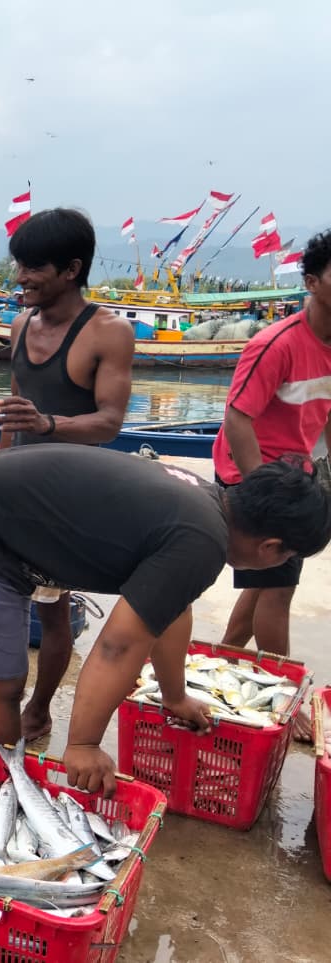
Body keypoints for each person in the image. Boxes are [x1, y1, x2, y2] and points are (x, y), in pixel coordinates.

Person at [0, 444, 331, 796]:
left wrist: (175, 696)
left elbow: (170, 612)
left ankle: (7, 788)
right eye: (288, 557)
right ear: (271, 546)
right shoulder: (202, 540)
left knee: (5, 673)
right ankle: (1, 795)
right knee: (2, 680)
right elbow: (118, 645)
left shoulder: (206, 506)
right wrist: (83, 744)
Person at [0, 209, 135, 743]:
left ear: (71, 269)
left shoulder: (109, 332)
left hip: (67, 493)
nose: (21, 279)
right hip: (16, 485)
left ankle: (38, 707)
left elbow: (109, 422)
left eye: (34, 268)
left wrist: (48, 423)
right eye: (19, 266)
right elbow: (14, 415)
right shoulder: (20, 324)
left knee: (54, 611)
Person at [212, 231, 331, 740]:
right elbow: (237, 418)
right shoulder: (276, 344)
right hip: (253, 476)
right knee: (279, 587)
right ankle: (284, 697)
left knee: (263, 582)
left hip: (297, 475)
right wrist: (265, 491)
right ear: (311, 282)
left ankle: (224, 659)